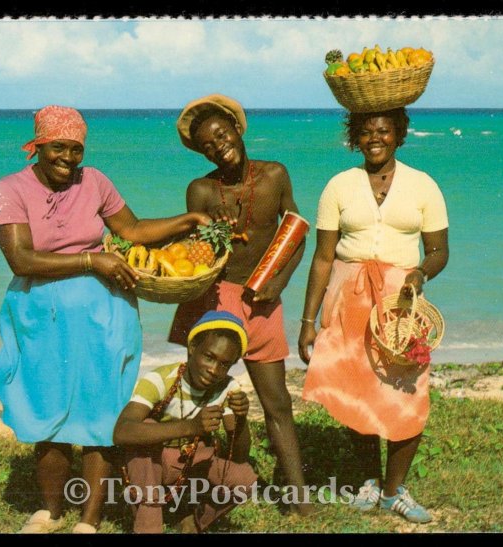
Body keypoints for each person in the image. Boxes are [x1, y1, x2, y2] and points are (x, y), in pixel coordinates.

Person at [0, 105, 211, 534]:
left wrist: (185, 221)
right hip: (42, 317)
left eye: (76, 149)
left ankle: (89, 520)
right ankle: (51, 512)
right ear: (37, 146)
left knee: (101, 413)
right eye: (58, 148)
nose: (68, 158)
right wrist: (93, 260)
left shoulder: (95, 181)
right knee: (49, 412)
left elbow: (132, 230)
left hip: (105, 317)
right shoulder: (10, 189)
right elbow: (21, 259)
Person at [298, 107, 449, 524]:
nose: (375, 138)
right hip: (348, 296)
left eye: (384, 130)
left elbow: (439, 251)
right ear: (356, 139)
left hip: (401, 302)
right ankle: (368, 479)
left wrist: (420, 272)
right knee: (355, 388)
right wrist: (308, 322)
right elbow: (323, 257)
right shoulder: (338, 186)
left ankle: (392, 490)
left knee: (409, 390)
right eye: (366, 132)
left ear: (399, 135)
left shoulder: (423, 186)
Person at [167, 94, 313, 515]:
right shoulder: (201, 190)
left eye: (221, 134)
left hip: (265, 298)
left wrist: (279, 283)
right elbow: (196, 256)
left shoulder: (275, 175)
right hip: (218, 299)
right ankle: (188, 487)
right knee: (199, 400)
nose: (218, 145)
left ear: (236, 127)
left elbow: (297, 233)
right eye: (207, 145)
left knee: (278, 403)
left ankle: (299, 501)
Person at [114, 310, 258, 533]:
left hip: (189, 464)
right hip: (150, 466)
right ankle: (149, 525)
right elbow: (122, 432)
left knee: (244, 478)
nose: (214, 370)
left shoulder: (227, 388)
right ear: (192, 349)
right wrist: (191, 427)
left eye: (225, 364)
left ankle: (192, 519)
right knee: (148, 430)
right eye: (209, 357)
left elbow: (238, 458)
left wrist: (240, 420)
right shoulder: (161, 379)